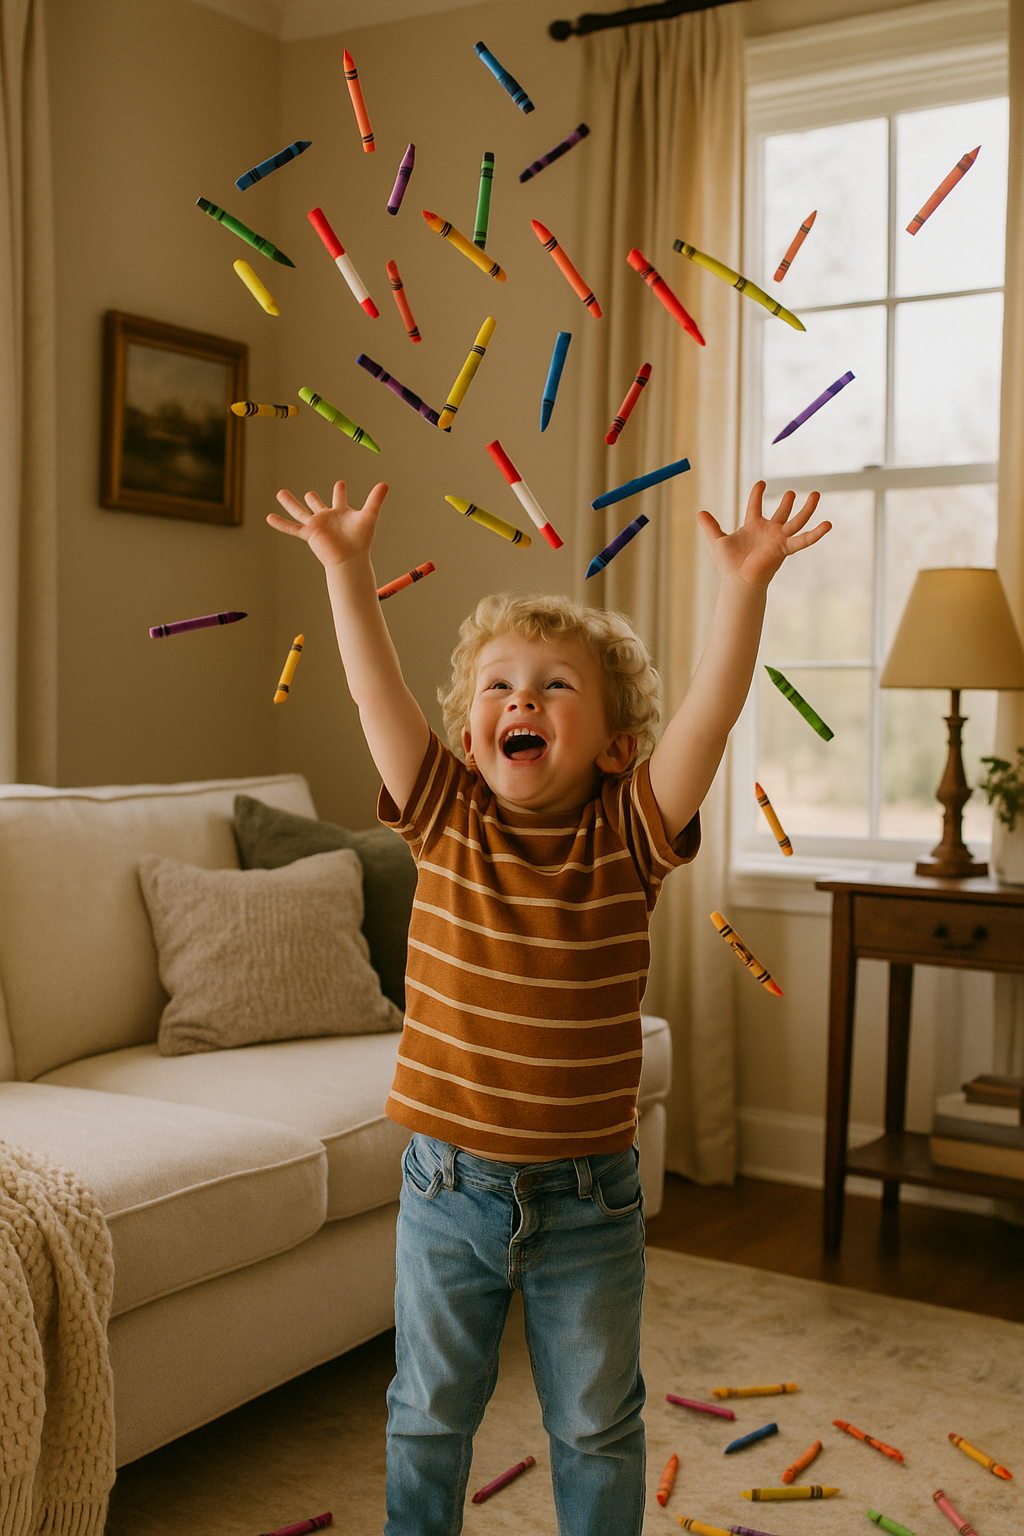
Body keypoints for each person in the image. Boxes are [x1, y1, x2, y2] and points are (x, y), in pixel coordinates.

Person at [268, 476, 828, 1536]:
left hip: (589, 1202)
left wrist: (745, 588)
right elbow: (370, 692)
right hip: (447, 1185)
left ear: (618, 746)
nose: (521, 702)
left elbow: (708, 714)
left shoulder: (631, 834)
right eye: (499, 689)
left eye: (555, 686)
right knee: (428, 1413)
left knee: (596, 1422)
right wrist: (345, 568)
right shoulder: (443, 815)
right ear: (471, 738)